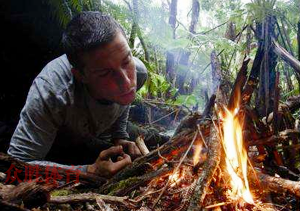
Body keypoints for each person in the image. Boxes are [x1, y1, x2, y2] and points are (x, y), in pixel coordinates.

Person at [7, 11, 148, 178]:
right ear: (81, 75)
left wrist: (119, 136)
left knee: (152, 138)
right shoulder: (52, 92)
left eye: (126, 61)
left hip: (92, 133)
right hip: (54, 144)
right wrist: (87, 171)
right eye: (105, 73)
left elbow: (125, 100)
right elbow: (16, 165)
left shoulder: (138, 73)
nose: (126, 82)